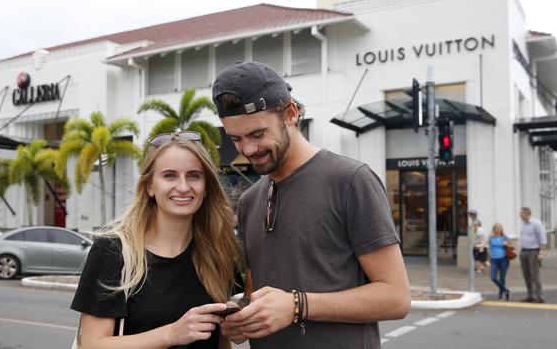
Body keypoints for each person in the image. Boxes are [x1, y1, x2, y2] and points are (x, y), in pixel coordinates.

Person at [212, 62, 410, 348]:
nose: (248, 150)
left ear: (290, 113)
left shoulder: (351, 180)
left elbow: (396, 298)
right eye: (236, 139)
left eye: (257, 134)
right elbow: (256, 293)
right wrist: (242, 318)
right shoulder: (249, 201)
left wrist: (297, 305)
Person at [71, 132, 242, 348]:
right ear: (149, 186)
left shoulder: (219, 253)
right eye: (169, 176)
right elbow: (92, 344)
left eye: (194, 176)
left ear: (206, 187)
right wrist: (172, 333)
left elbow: (221, 341)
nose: (183, 187)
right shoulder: (113, 252)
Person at [518, 207, 547, 303]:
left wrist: (541, 253)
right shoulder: (523, 224)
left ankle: (540, 296)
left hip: (533, 251)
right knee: (526, 275)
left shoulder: (536, 223)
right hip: (524, 251)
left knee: (535, 275)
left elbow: (542, 239)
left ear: (527, 213)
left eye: (521, 214)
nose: (520, 215)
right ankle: (530, 295)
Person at [488, 223, 512, 300]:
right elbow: (486, 246)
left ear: (501, 229)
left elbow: (512, 247)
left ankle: (501, 294)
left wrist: (507, 244)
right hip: (494, 259)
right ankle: (506, 290)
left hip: (503, 259)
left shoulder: (505, 237)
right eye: (496, 228)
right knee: (493, 277)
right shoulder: (491, 237)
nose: (498, 229)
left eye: (499, 228)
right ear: (494, 229)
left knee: (502, 278)